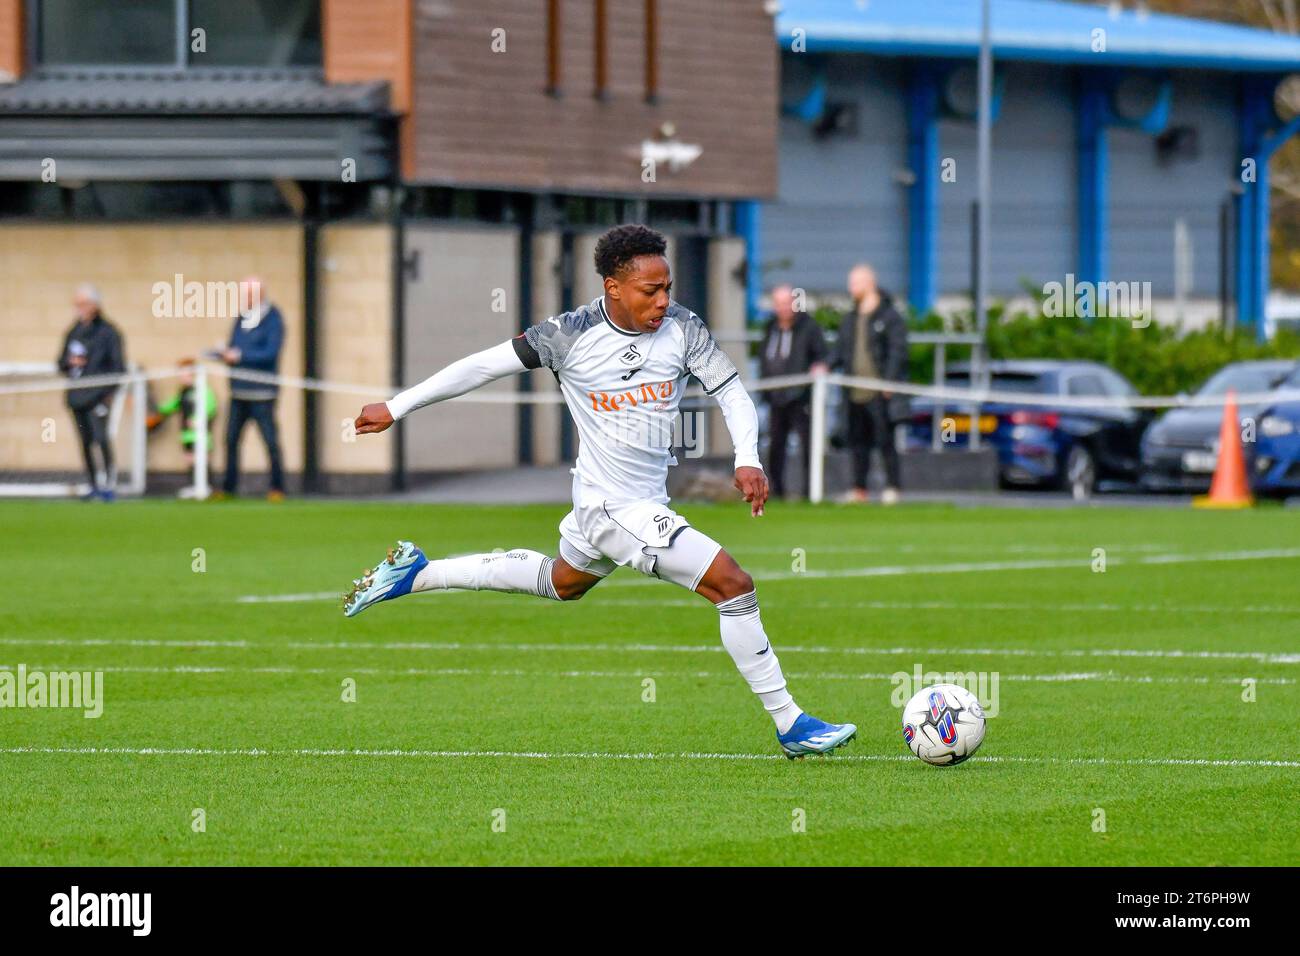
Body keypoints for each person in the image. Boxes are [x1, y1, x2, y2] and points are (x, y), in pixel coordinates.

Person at [341, 225, 856, 758]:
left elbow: (731, 391)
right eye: (649, 291)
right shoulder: (568, 335)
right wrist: (397, 406)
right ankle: (790, 722)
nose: (663, 301)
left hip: (633, 501)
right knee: (733, 585)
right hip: (611, 507)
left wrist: (747, 456)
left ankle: (418, 573)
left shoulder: (683, 329)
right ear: (613, 287)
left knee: (561, 583)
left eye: (667, 287)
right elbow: (480, 366)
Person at [834, 264, 909, 505]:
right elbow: (839, 351)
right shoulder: (850, 318)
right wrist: (824, 365)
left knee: (886, 442)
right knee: (858, 443)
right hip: (854, 392)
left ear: (869, 283)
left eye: (855, 283)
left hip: (880, 393)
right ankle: (859, 489)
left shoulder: (890, 316)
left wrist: (889, 380)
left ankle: (892, 487)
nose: (851, 288)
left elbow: (898, 351)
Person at [218, 276, 286, 501]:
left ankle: (278, 487)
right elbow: (233, 345)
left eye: (248, 295)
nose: (245, 299)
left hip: (262, 393)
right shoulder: (242, 317)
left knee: (270, 440)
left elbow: (270, 353)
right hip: (238, 391)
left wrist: (240, 356)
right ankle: (229, 487)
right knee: (230, 439)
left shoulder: (273, 319)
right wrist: (225, 354)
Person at [758, 284, 828, 499]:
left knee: (809, 445)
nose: (783, 308)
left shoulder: (809, 327)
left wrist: (819, 368)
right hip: (775, 397)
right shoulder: (770, 327)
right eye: (778, 304)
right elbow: (765, 358)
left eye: (787, 303)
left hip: (801, 397)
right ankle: (777, 492)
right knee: (775, 446)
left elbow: (822, 355)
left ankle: (810, 492)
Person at [56, 284, 125, 501]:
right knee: (85, 442)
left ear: (95, 305)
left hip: (98, 396)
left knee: (101, 439)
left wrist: (106, 394)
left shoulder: (108, 332)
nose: (80, 308)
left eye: (84, 304)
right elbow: (60, 363)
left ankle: (108, 485)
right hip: (77, 397)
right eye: (77, 304)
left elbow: (118, 368)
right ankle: (93, 484)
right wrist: (70, 362)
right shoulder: (73, 331)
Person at [147, 358, 217, 499]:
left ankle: (207, 486)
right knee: (190, 459)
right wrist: (156, 411)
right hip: (187, 434)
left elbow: (210, 406)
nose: (181, 376)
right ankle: (194, 485)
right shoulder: (183, 392)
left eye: (183, 373)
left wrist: (198, 420)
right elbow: (172, 405)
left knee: (201, 459)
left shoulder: (202, 390)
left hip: (201, 433)